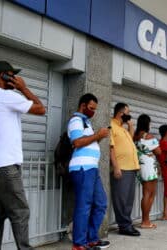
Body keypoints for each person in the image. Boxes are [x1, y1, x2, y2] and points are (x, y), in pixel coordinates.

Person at [0, 61, 45, 250]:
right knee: (20, 212)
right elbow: (41, 109)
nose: (15, 79)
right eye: (12, 75)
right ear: (3, 76)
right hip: (7, 167)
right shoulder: (6, 96)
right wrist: (24, 88)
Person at [67, 93, 110, 250]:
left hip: (92, 168)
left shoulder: (86, 122)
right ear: (83, 105)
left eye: (95, 109)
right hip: (82, 168)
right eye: (91, 108)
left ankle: (91, 238)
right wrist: (97, 135)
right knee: (84, 206)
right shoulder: (76, 121)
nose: (93, 111)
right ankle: (79, 243)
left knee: (100, 203)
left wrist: (98, 137)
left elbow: (87, 142)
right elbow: (77, 142)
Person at [110, 103, 141, 236]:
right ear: (121, 113)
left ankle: (127, 224)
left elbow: (131, 139)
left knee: (128, 199)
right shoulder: (111, 125)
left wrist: (131, 126)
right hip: (121, 167)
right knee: (121, 198)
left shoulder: (122, 128)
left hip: (131, 168)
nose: (130, 115)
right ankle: (124, 226)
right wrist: (116, 167)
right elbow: (110, 147)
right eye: (128, 112)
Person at [133, 114, 161, 229]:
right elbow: (158, 152)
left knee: (146, 193)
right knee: (149, 194)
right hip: (149, 165)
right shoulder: (148, 136)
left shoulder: (134, 136)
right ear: (147, 124)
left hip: (141, 166)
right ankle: (145, 221)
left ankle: (145, 220)